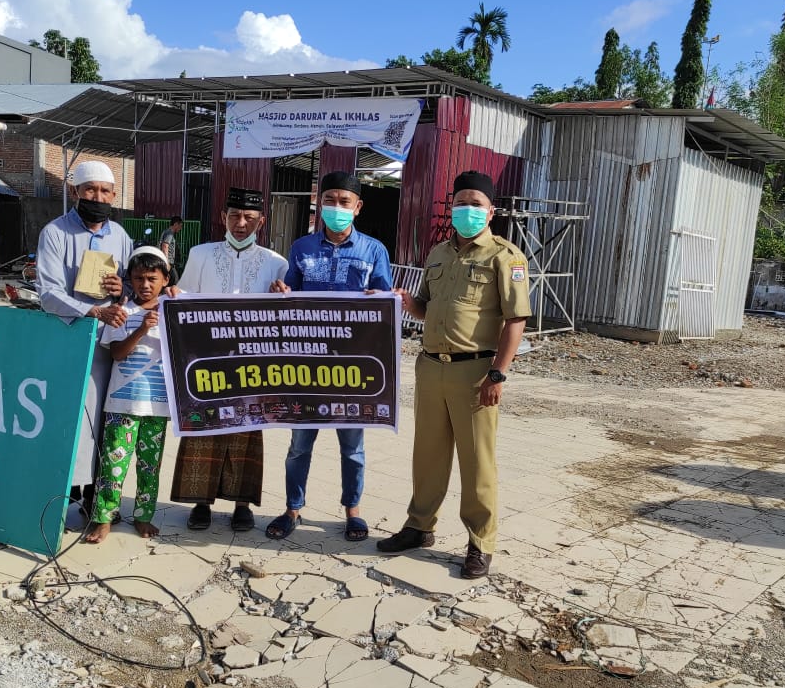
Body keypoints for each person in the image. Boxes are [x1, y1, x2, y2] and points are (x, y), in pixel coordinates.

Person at [376, 171, 531, 579]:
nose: (467, 210)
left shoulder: (505, 256)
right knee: (427, 455)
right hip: (430, 367)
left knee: (477, 462)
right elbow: (427, 307)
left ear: (490, 211)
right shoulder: (438, 253)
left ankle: (481, 542)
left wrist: (498, 375)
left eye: (476, 203)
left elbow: (516, 320)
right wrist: (407, 304)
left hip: (475, 372)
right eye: (460, 202)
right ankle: (419, 526)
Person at [266, 171, 393, 541]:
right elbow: (292, 298)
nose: (337, 207)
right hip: (308, 366)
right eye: (330, 200)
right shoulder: (302, 248)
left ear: (358, 207)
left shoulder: (374, 251)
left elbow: (386, 307)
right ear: (320, 204)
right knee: (298, 445)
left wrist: (379, 301)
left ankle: (353, 510)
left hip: (354, 368)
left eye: (344, 201)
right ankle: (293, 507)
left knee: (352, 447)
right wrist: (281, 292)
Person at [170, 187, 288, 532]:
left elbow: (283, 318)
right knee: (204, 426)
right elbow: (185, 301)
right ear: (223, 217)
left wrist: (284, 298)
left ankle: (242, 504)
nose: (240, 223)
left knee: (247, 432)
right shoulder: (200, 254)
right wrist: (176, 296)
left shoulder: (275, 262)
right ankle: (201, 502)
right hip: (207, 361)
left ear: (260, 221)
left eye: (249, 218)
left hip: (253, 366)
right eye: (234, 216)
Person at [36, 160, 131, 517]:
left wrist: (121, 290)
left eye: (105, 191)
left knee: (106, 418)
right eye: (90, 189)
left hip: (110, 343)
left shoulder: (120, 237)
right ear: (75, 192)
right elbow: (47, 293)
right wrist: (91, 311)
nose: (98, 196)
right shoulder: (56, 233)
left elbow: (130, 290)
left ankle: (97, 495)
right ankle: (65, 492)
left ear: (114, 195)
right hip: (71, 337)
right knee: (73, 416)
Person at [85, 246, 173, 544]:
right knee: (113, 464)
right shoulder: (122, 314)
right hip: (123, 403)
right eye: (138, 278)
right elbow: (118, 354)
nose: (145, 285)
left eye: (152, 278)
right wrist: (140, 330)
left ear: (165, 279)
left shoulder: (173, 310)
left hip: (158, 405)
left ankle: (143, 517)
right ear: (129, 280)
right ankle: (103, 518)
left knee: (150, 465)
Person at [160, 216, 183, 283]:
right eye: (180, 226)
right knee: (175, 281)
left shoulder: (166, 231)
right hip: (168, 262)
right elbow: (165, 246)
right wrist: (166, 262)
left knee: (168, 282)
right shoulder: (169, 233)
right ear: (175, 224)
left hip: (167, 262)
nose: (180, 228)